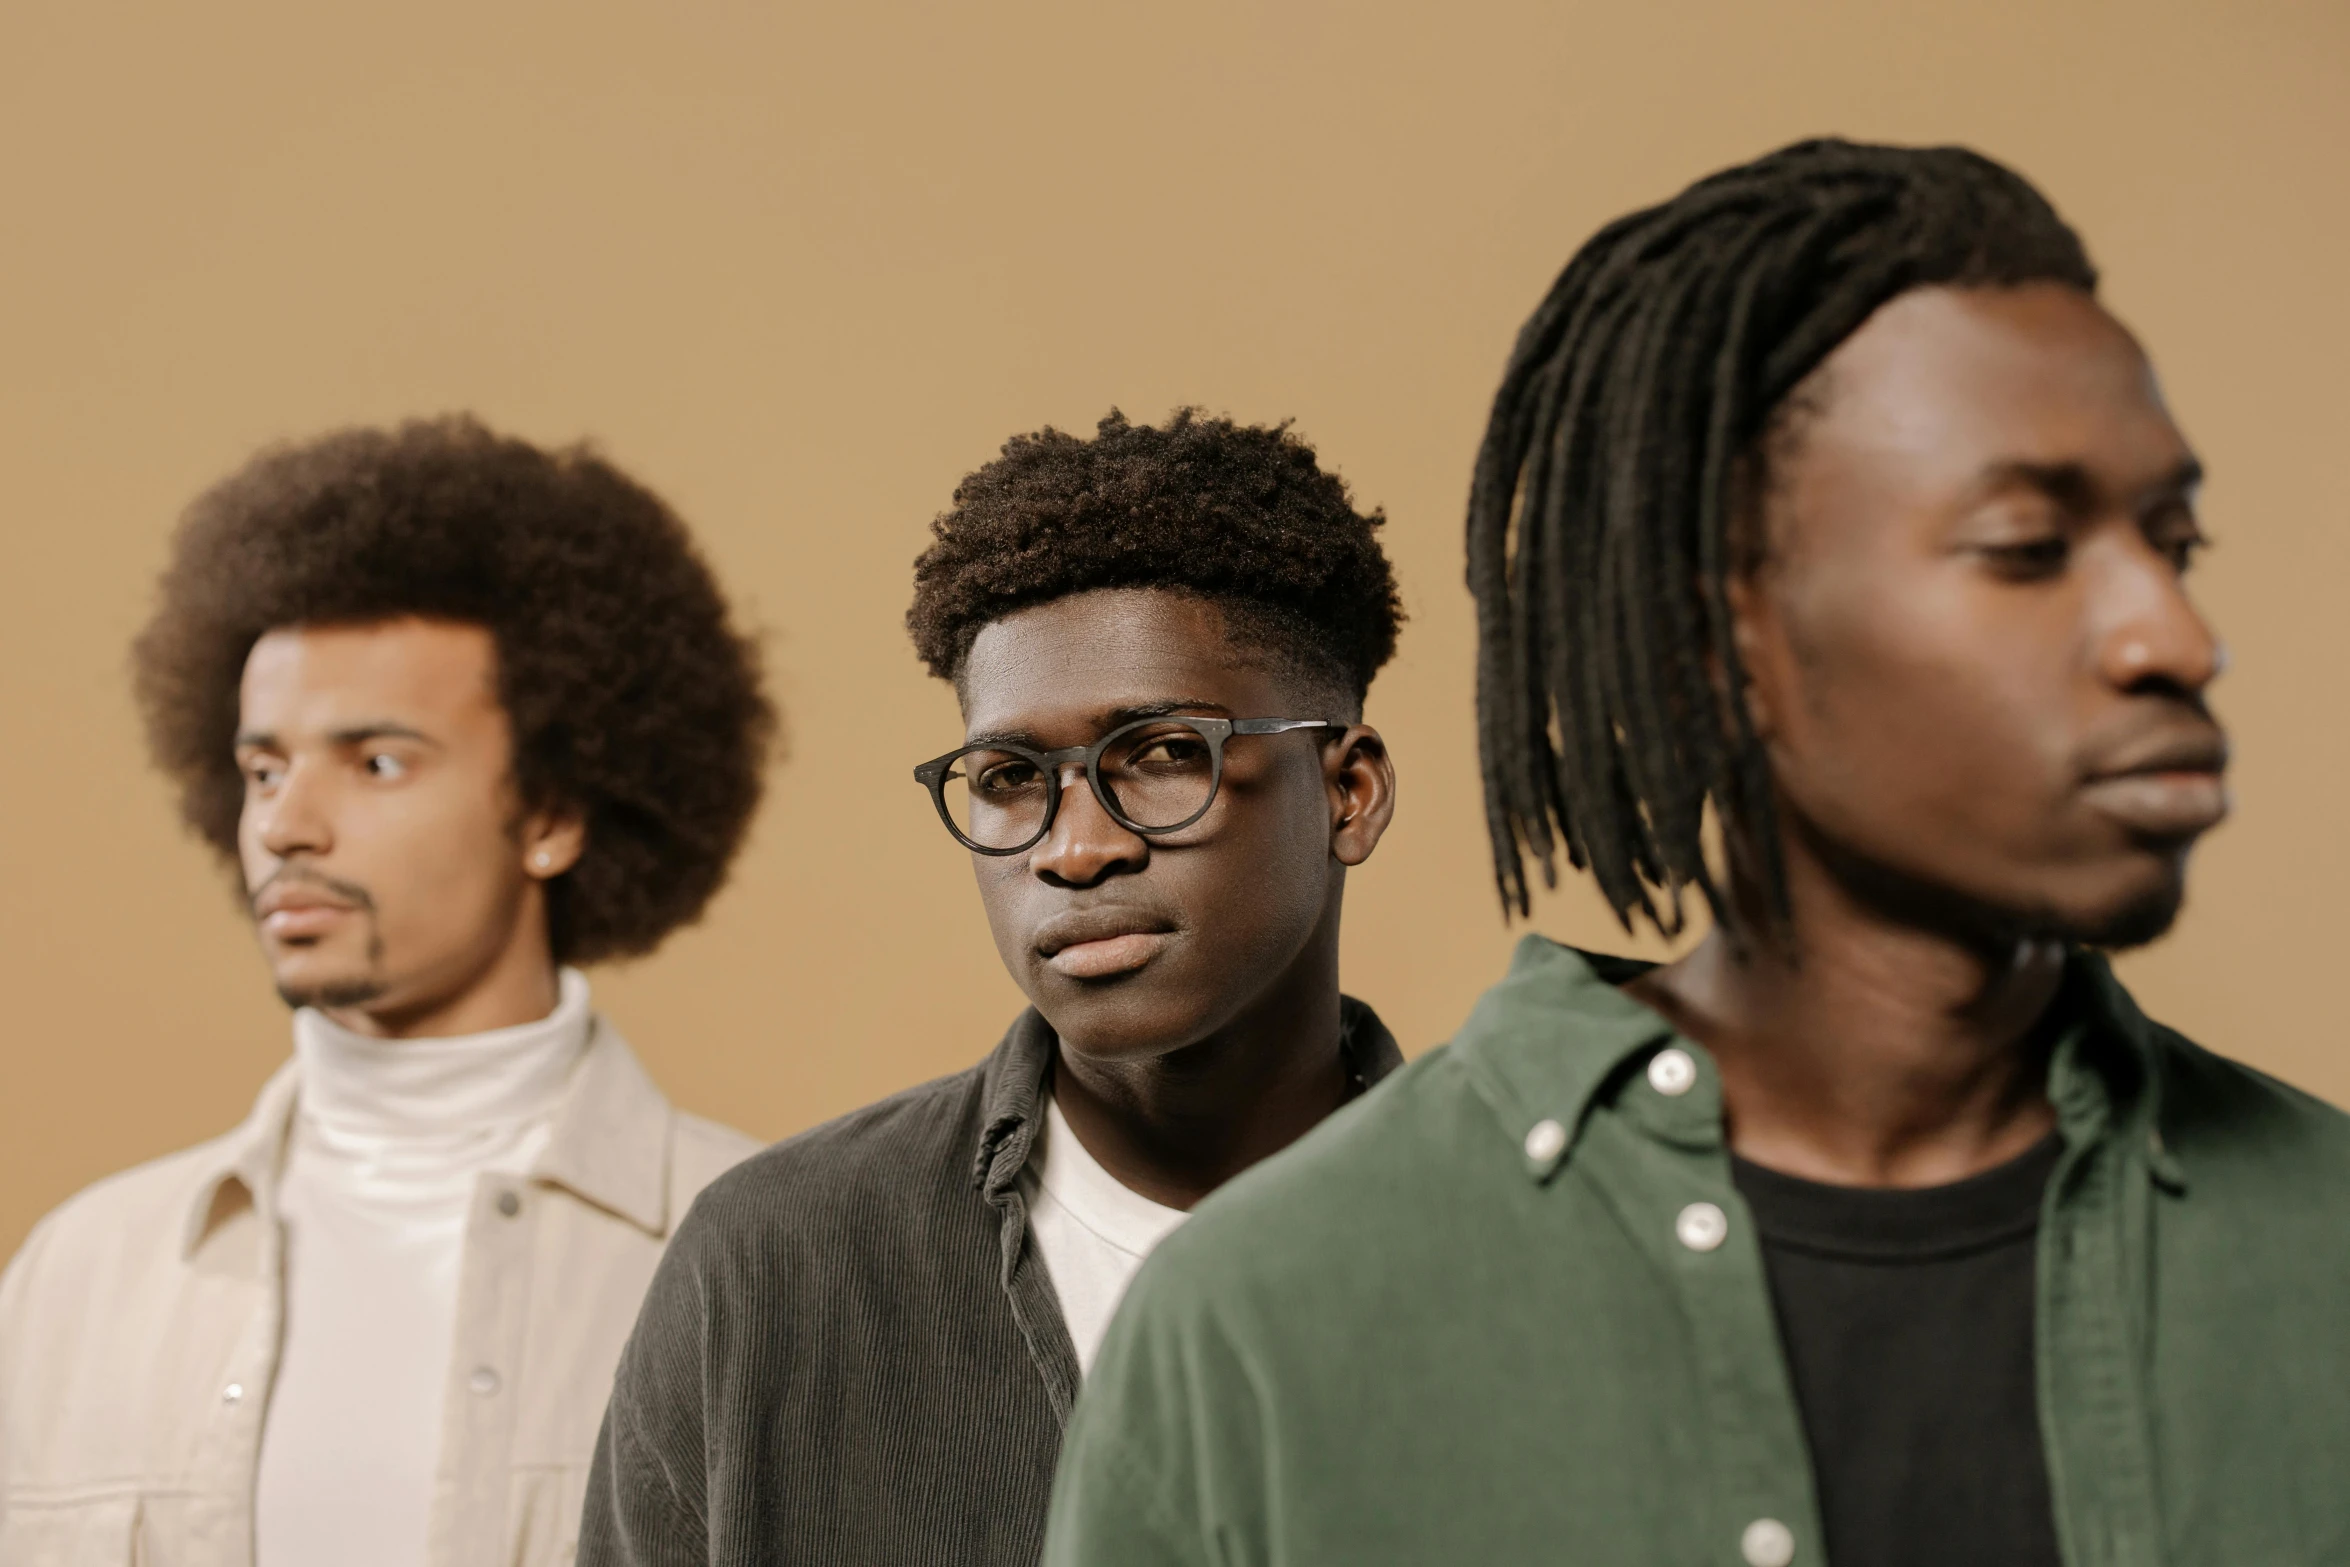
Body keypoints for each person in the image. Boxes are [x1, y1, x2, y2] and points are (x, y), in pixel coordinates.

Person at [1045, 140, 2350, 1566]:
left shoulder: (2320, 1248)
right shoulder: (1258, 1324)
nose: (2169, 635)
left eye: (2172, 541)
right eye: (2027, 545)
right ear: (1719, 642)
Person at [581, 409, 1405, 1565]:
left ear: (1349, 793)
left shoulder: (1536, 1244)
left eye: (1164, 753)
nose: (1074, 849)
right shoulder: (773, 1263)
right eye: (1012, 777)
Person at [0, 418, 774, 1567]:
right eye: (263, 767)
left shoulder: (769, 1258)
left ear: (554, 813)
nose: (283, 824)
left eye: (376, 762)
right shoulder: (78, 1274)